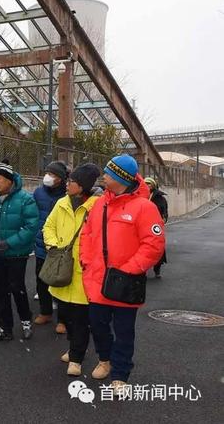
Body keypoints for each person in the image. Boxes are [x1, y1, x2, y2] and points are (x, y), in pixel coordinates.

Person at [80, 155, 165, 394]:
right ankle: (104, 359)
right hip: (97, 281)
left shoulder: (145, 208)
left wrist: (129, 269)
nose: (103, 176)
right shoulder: (99, 204)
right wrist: (85, 260)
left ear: (120, 177)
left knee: (124, 331)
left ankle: (120, 372)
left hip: (125, 284)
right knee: (97, 325)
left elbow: (154, 244)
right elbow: (87, 234)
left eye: (108, 173)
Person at [43, 163, 102, 376]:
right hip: (61, 269)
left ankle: (76, 358)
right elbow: (48, 226)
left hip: (84, 272)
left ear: (83, 186)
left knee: (80, 319)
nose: (67, 184)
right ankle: (74, 347)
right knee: (66, 315)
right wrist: (52, 246)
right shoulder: (61, 203)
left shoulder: (98, 206)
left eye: (72, 182)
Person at [0, 159, 39, 342]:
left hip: (16, 253)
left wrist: (9, 243)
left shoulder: (25, 199)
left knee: (17, 287)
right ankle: (4, 328)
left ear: (9, 180)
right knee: (0, 290)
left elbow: (31, 226)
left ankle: (26, 321)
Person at [33, 161, 69, 333]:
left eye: (53, 175)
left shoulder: (68, 195)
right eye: (47, 173)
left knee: (60, 282)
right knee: (41, 280)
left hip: (60, 247)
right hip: (41, 244)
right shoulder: (38, 192)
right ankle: (45, 311)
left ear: (61, 180)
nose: (48, 177)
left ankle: (63, 320)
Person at [144, 177, 168, 278]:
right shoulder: (139, 196)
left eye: (149, 184)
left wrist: (163, 220)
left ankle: (157, 269)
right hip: (143, 226)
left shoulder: (159, 198)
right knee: (143, 248)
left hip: (155, 227)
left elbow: (164, 212)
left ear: (153, 185)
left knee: (157, 247)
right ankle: (142, 269)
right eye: (145, 184)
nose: (147, 186)